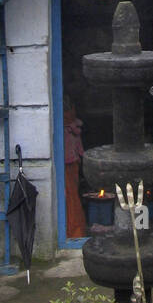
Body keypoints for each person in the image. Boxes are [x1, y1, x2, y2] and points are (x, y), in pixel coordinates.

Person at [63, 96, 87, 241]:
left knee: (70, 198)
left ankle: (74, 231)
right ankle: (74, 231)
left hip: (69, 166)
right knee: (71, 198)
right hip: (70, 165)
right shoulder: (71, 129)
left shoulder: (68, 130)